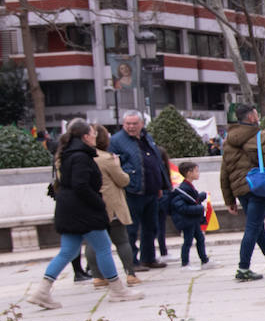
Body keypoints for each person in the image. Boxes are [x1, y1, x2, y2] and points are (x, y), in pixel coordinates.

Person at [26, 120, 143, 309]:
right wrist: (99, 203)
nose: (95, 136)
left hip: (69, 209)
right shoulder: (81, 157)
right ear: (86, 136)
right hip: (84, 211)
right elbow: (81, 185)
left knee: (68, 251)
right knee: (104, 247)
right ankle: (117, 289)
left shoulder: (67, 154)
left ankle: (42, 291)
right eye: (93, 133)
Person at [220, 105, 265, 281]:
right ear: (250, 118)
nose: (258, 117)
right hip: (259, 188)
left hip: (240, 189)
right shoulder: (261, 136)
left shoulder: (228, 141)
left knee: (257, 225)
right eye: (256, 114)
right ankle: (243, 268)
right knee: (253, 227)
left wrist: (229, 199)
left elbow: (224, 171)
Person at [109, 110, 170, 270]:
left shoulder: (146, 137)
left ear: (141, 124)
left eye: (134, 123)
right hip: (132, 191)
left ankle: (148, 258)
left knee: (151, 227)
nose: (131, 127)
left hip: (151, 190)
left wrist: (161, 185)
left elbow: (156, 161)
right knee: (131, 229)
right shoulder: (116, 141)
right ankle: (132, 262)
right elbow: (114, 164)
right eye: (128, 124)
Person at [83, 124, 140, 286]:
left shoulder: (79, 158)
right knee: (121, 240)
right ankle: (130, 274)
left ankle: (97, 277)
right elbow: (123, 180)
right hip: (111, 205)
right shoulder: (106, 158)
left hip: (90, 205)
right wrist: (118, 165)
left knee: (93, 242)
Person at [169, 160, 213, 268]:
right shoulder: (183, 188)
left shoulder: (189, 187)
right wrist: (199, 208)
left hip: (192, 220)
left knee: (200, 239)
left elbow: (192, 200)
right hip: (187, 220)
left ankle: (204, 260)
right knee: (188, 241)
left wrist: (201, 196)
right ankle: (185, 263)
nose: (198, 173)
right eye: (196, 171)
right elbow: (182, 207)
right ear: (189, 173)